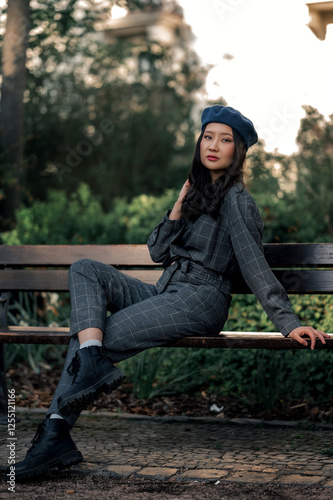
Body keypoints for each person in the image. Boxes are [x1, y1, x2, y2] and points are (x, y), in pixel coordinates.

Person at [6, 105, 328, 481]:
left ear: (237, 152)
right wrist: (178, 205)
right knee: (85, 270)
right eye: (208, 136)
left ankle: (53, 438)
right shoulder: (196, 193)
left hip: (201, 300)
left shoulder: (237, 200)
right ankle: (78, 386)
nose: (214, 146)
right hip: (167, 292)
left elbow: (255, 265)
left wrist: (288, 323)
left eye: (225, 140)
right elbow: (158, 251)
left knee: (96, 335)